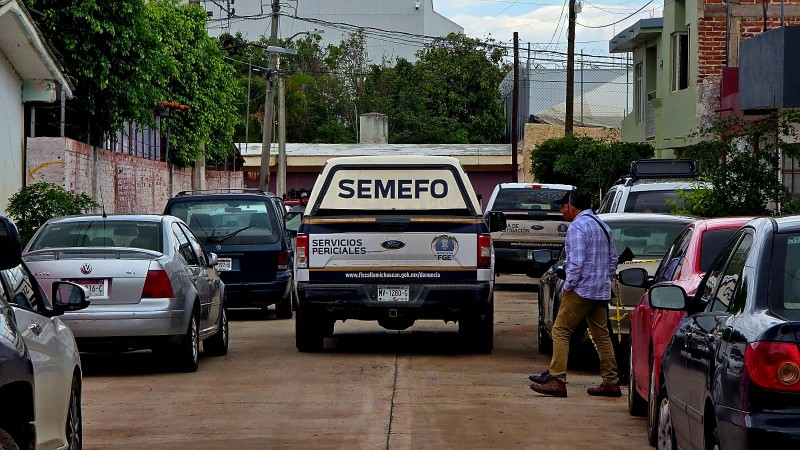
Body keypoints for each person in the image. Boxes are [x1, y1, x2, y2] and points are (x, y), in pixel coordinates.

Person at [529, 189, 621, 398]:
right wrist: (604, 280)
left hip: (581, 289)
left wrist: (569, 286)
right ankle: (611, 382)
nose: (564, 212)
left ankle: (557, 379)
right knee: (602, 336)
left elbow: (576, 262)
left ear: (572, 206)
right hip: (600, 291)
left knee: (560, 330)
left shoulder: (578, 227)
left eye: (564, 207)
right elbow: (613, 260)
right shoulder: (603, 226)